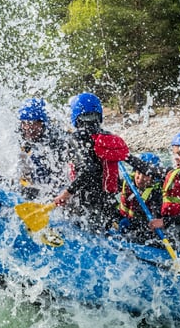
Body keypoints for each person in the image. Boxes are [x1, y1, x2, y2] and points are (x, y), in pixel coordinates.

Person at [53, 92, 130, 231]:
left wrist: (66, 193)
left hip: (86, 206)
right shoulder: (108, 136)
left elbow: (88, 170)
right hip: (108, 203)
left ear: (75, 114)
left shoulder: (75, 138)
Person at [15, 98, 68, 200]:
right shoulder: (20, 135)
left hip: (54, 189)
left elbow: (62, 176)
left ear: (42, 123)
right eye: (24, 123)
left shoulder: (56, 140)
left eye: (33, 123)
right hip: (35, 184)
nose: (27, 128)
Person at [116, 152, 164, 243]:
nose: (140, 178)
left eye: (146, 175)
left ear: (154, 178)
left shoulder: (157, 194)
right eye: (138, 172)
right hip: (125, 219)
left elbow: (155, 220)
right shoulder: (128, 182)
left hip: (144, 227)